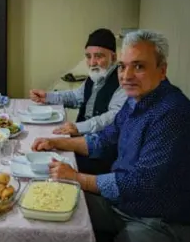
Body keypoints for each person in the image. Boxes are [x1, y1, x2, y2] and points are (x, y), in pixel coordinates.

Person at [32, 30, 190, 242]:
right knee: (49, 204)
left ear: (162, 70)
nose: (126, 76)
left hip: (155, 218)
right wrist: (55, 142)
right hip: (120, 204)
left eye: (139, 66)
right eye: (123, 67)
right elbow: (104, 140)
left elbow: (141, 183)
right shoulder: (136, 100)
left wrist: (78, 178)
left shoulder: (172, 112)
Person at [30, 28, 127, 136]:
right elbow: (76, 97)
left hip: (101, 144)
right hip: (82, 136)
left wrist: (78, 127)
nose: (92, 63)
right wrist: (47, 97)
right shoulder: (96, 75)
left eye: (99, 56)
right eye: (88, 56)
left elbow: (113, 117)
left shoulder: (123, 80)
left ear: (113, 58)